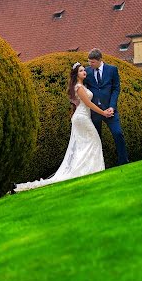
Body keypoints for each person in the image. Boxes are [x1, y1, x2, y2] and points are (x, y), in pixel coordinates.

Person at [14, 62, 114, 192]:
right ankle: (87, 169)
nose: (84, 72)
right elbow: (88, 103)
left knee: (85, 145)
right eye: (81, 71)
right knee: (94, 141)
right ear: (76, 74)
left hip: (82, 117)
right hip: (82, 118)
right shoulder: (79, 87)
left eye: (84, 70)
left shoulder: (82, 85)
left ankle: (88, 169)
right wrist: (104, 112)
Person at [85, 48, 129, 165]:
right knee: (96, 138)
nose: (90, 64)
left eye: (92, 62)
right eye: (89, 61)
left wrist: (112, 107)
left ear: (100, 60)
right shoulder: (87, 71)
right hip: (95, 112)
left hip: (110, 111)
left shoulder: (112, 70)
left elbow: (116, 89)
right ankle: (96, 165)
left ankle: (123, 161)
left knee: (118, 133)